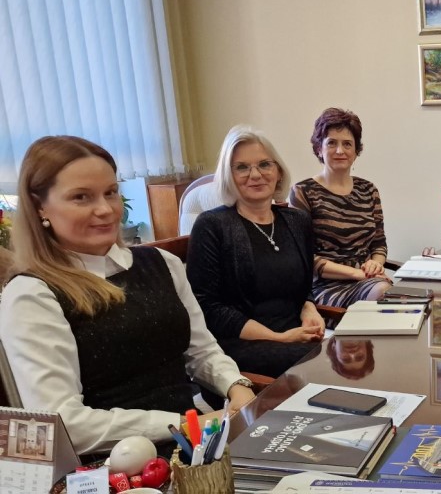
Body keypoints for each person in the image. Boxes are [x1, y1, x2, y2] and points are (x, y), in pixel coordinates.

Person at [0, 136, 255, 455]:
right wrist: (183, 424)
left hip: (195, 445)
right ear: (40, 207)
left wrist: (236, 386)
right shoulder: (32, 295)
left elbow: (201, 352)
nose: (106, 209)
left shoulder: (163, 263)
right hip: (112, 464)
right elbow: (64, 423)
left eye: (110, 192)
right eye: (81, 197)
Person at [186, 126, 324, 378]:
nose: (256, 175)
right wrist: (279, 338)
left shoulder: (297, 221)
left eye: (264, 164)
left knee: (355, 351)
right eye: (242, 167)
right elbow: (208, 308)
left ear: (278, 171)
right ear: (228, 176)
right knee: (327, 363)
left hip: (298, 336)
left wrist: (309, 309)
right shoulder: (212, 225)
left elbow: (305, 286)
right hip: (240, 346)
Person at [290, 108, 392, 307]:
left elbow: (379, 244)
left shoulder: (368, 190)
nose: (340, 151)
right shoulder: (303, 192)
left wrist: (376, 264)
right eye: (332, 143)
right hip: (324, 288)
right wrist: (356, 273)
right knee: (384, 297)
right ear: (319, 148)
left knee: (401, 300)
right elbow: (303, 257)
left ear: (356, 151)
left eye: (347, 144)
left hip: (368, 281)